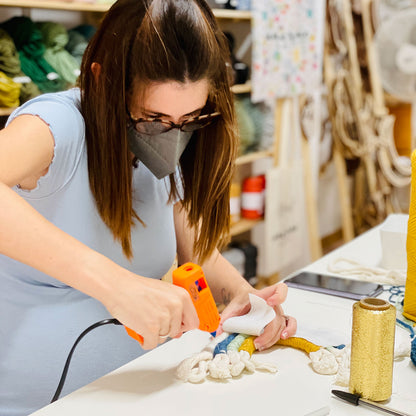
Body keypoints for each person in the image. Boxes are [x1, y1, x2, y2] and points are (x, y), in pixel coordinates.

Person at [0, 0, 297, 414]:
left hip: (138, 395)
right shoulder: (61, 126)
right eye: (152, 119)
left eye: (190, 120)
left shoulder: (162, 148)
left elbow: (199, 253)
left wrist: (246, 300)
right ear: (103, 81)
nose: (171, 136)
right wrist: (114, 285)